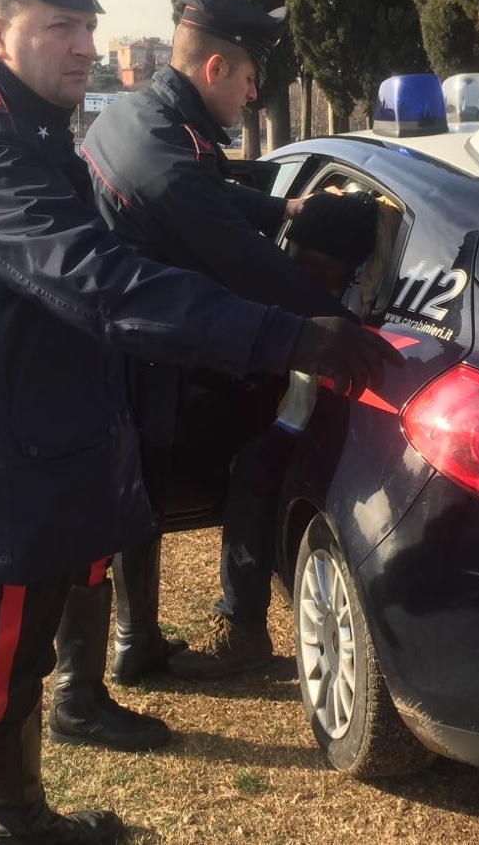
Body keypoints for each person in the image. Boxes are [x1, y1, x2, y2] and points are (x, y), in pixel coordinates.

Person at [0, 0, 400, 845]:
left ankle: (21, 820)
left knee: (25, 666)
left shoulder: (24, 116)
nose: (85, 45)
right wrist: (292, 334)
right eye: (59, 26)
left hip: (37, 448)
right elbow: (101, 280)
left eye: (88, 25)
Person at [80, 0, 369, 683]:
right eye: (246, 78)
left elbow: (212, 186)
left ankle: (135, 641)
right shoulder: (166, 152)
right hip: (134, 352)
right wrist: (344, 335)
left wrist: (288, 204)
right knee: (136, 497)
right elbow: (249, 263)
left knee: (137, 496)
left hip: (128, 342)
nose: (252, 92)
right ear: (214, 68)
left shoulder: (145, 118)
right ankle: (127, 650)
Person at [164, 188, 384, 679]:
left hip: (344, 428)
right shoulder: (293, 281)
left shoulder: (363, 308)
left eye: (317, 277)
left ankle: (242, 629)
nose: (297, 286)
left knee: (254, 472)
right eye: (293, 266)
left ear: (353, 274)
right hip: (295, 406)